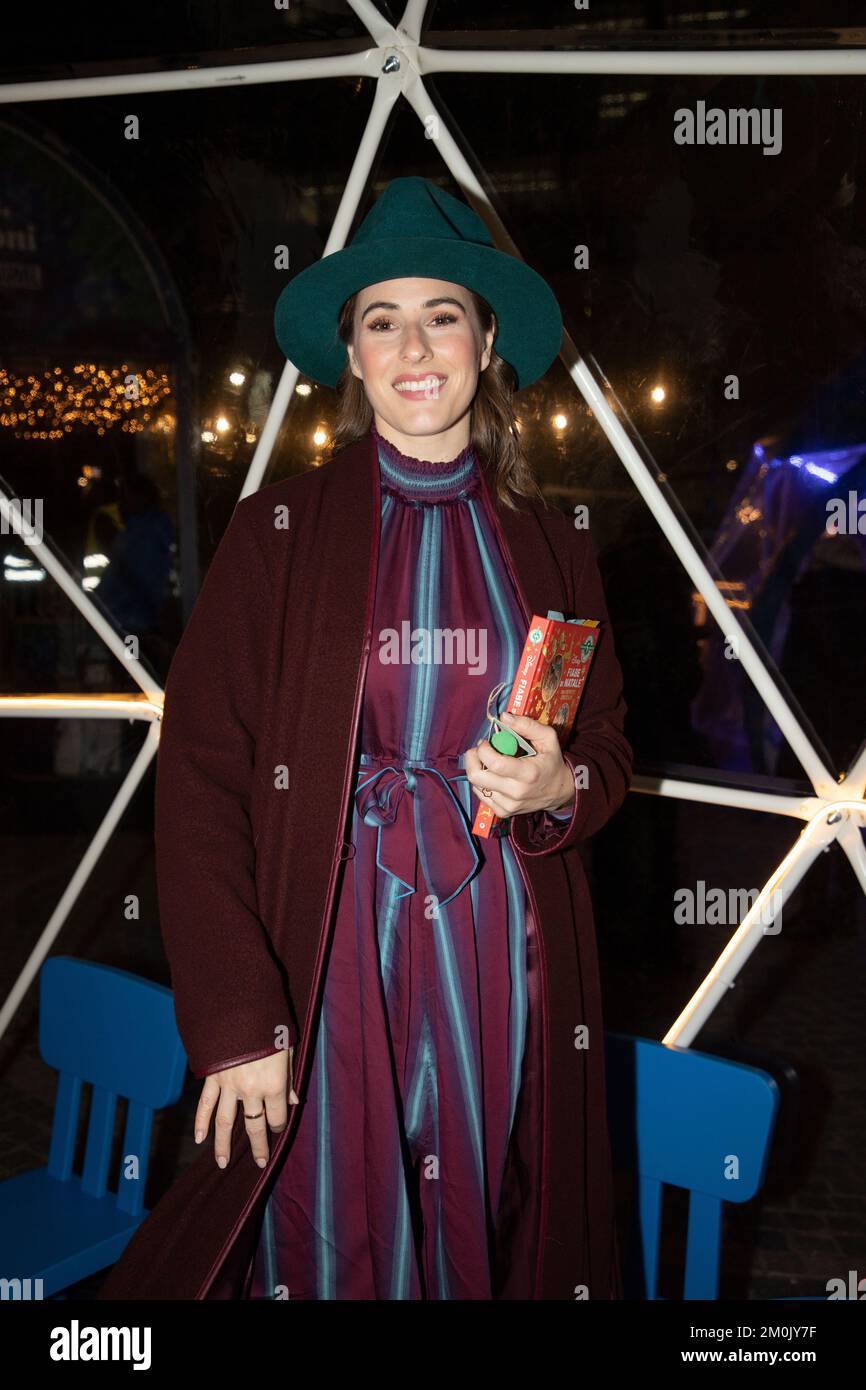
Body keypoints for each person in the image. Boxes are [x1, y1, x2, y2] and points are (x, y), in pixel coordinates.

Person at [98, 176, 632, 1302]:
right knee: (334, 1226)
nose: (414, 346)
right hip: (327, 933)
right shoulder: (276, 533)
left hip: (502, 945)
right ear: (351, 355)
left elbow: (608, 751)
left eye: (442, 314)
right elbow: (201, 778)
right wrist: (238, 1014)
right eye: (382, 321)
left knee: (493, 1212)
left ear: (487, 341)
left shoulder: (552, 542)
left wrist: (559, 785)